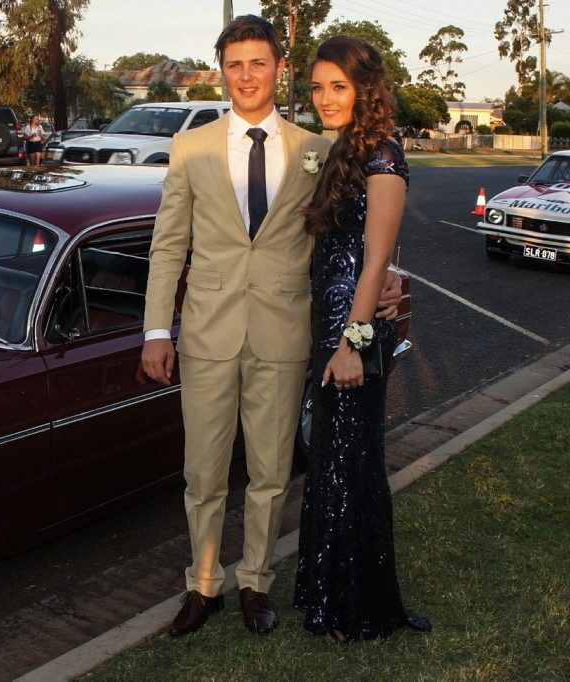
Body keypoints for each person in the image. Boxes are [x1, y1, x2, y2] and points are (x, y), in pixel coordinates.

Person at [141, 15, 400, 639]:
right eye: (236, 64)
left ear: (279, 69)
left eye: (259, 63)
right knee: (202, 471)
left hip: (284, 334)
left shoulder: (318, 148)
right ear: (222, 71)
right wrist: (155, 331)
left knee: (271, 471)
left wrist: (389, 276)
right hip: (206, 332)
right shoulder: (191, 147)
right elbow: (168, 246)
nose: (247, 75)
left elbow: (356, 227)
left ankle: (256, 581)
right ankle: (202, 586)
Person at [292, 34, 432, 642]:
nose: (325, 97)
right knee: (330, 460)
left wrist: (352, 344)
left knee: (353, 464)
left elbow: (375, 262)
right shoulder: (343, 149)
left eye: (338, 87)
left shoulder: (383, 155)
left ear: (365, 89)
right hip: (329, 325)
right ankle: (331, 597)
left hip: (353, 329)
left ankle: (357, 607)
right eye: (318, 87)